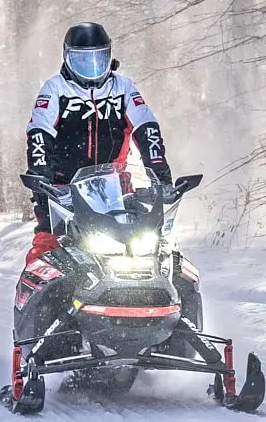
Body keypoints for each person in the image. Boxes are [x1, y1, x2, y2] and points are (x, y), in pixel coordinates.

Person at [24, 22, 172, 263]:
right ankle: (35, 297)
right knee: (47, 246)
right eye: (83, 60)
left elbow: (147, 128)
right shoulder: (55, 89)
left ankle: (164, 293)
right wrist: (41, 178)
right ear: (68, 57)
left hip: (116, 187)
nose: (92, 67)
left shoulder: (123, 87)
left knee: (149, 244)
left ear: (109, 56)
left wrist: (161, 175)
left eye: (99, 58)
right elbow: (39, 133)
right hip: (64, 189)